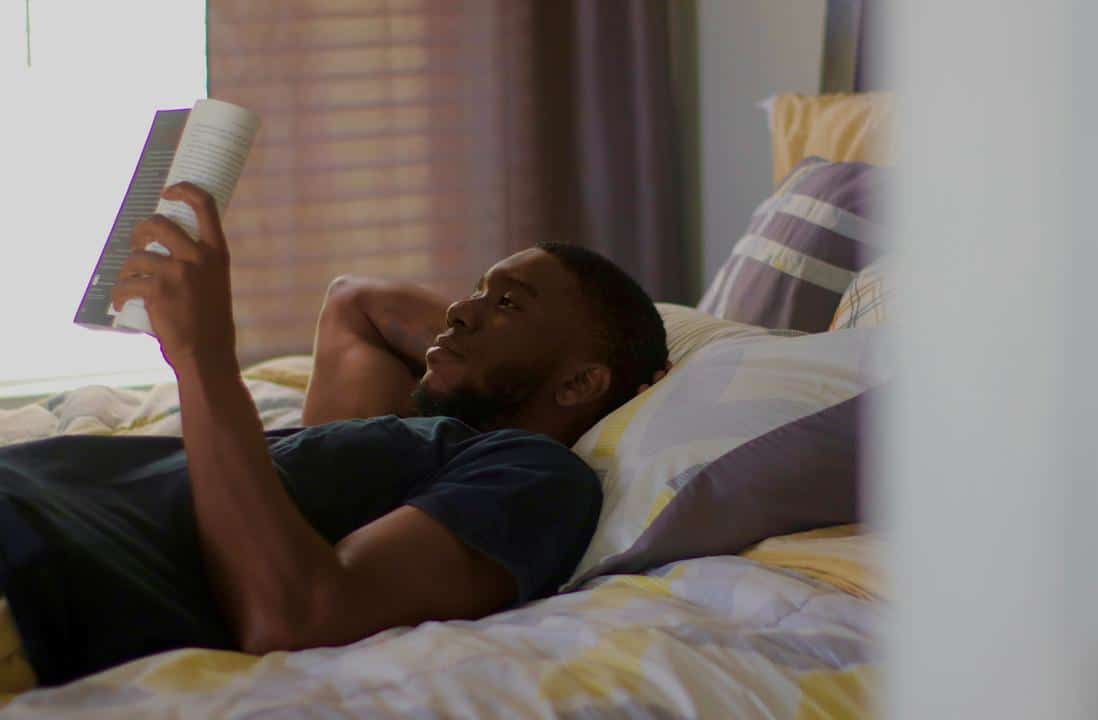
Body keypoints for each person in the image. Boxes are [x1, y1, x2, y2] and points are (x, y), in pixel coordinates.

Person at [0, 183, 669, 689]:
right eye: (475, 289)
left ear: (581, 383)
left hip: (30, 565)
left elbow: (295, 617)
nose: (459, 311)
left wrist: (203, 358)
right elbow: (356, 301)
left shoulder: (536, 474)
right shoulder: (403, 439)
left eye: (508, 303)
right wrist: (486, 350)